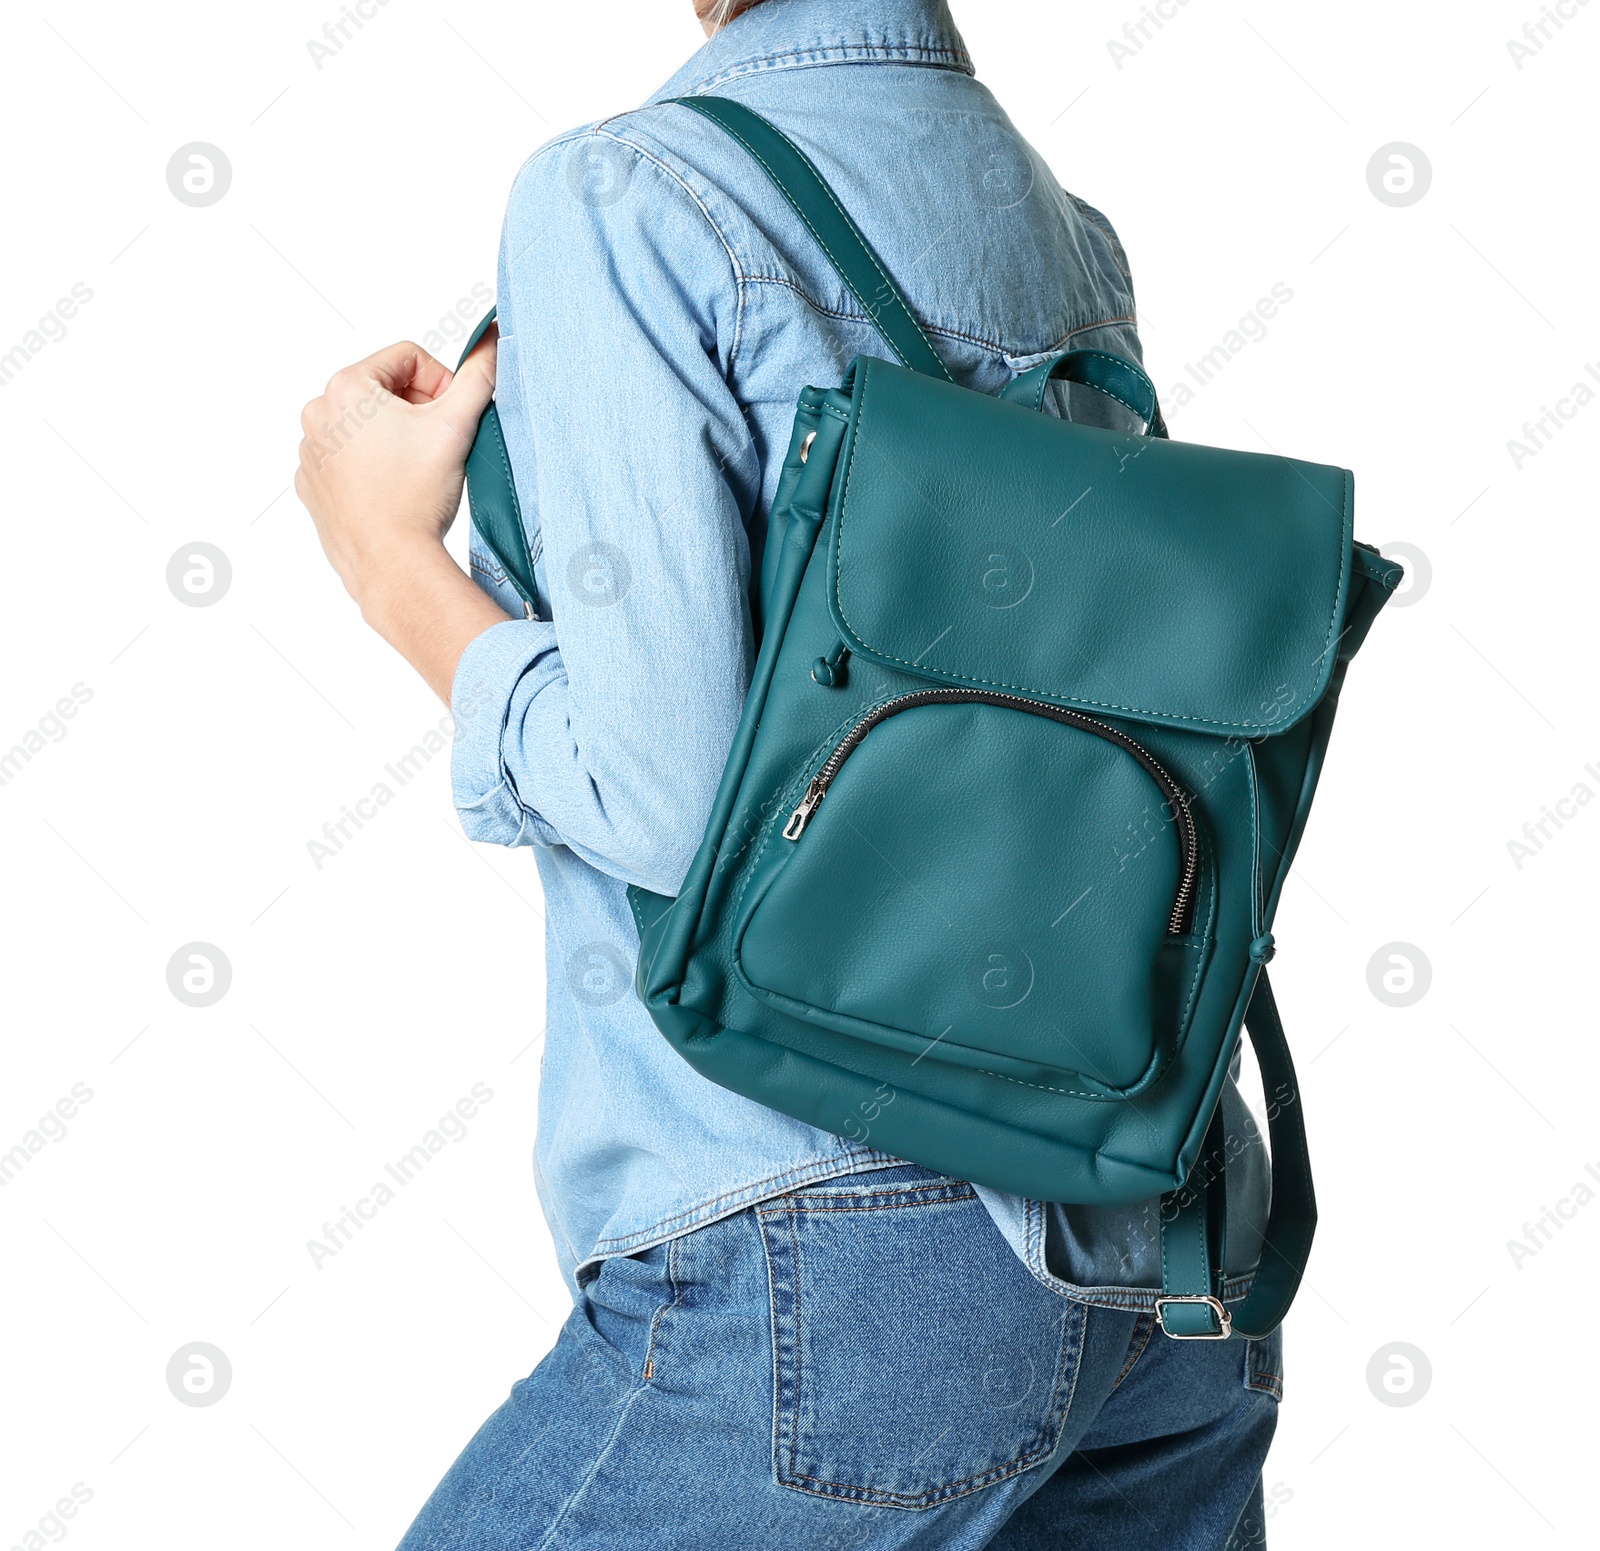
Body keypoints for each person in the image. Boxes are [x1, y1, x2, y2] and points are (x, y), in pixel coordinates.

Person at [295, 1, 1282, 1545]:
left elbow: (670, 803)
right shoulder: (1060, 230)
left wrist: (387, 564)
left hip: (829, 1240)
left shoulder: (621, 195)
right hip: (1160, 1233)